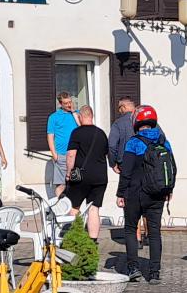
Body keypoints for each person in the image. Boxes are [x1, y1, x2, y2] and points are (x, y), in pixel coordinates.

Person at [117, 105, 176, 283]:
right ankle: (154, 273)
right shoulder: (164, 142)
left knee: (130, 229)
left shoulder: (133, 143)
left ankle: (133, 268)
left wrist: (120, 193)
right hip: (157, 194)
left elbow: (126, 171)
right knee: (155, 232)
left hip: (134, 194)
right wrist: (169, 190)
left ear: (137, 122)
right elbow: (173, 168)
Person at [62, 105, 111, 240]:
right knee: (94, 208)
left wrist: (68, 173)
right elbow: (107, 154)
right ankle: (93, 241)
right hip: (100, 177)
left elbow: (71, 155)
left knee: (74, 207)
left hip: (81, 177)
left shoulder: (76, 133)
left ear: (80, 117)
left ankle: (74, 237)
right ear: (92, 116)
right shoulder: (101, 133)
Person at [107, 96, 138, 234]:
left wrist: (112, 163)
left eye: (119, 108)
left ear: (124, 107)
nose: (119, 111)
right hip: (146, 165)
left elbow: (112, 145)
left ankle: (136, 236)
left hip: (126, 165)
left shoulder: (118, 123)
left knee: (130, 201)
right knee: (146, 200)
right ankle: (149, 235)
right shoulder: (145, 120)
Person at [46, 93, 79, 192]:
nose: (69, 105)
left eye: (70, 102)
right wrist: (54, 155)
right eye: (66, 103)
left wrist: (74, 113)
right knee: (61, 184)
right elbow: (50, 136)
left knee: (76, 184)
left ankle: (72, 202)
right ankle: (60, 202)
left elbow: (83, 128)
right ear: (60, 104)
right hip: (61, 154)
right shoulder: (54, 117)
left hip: (76, 154)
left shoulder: (77, 114)